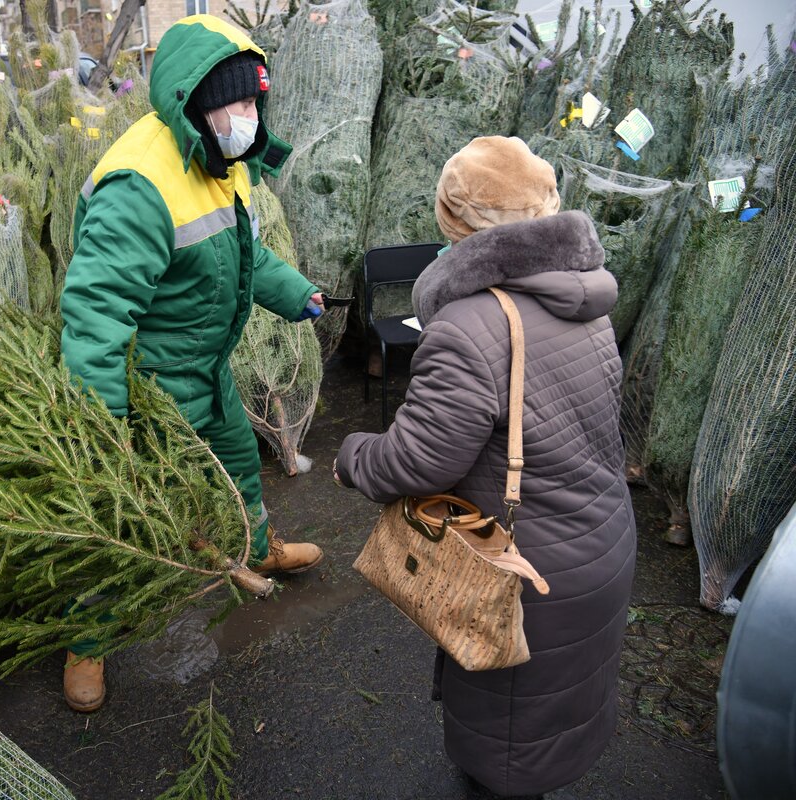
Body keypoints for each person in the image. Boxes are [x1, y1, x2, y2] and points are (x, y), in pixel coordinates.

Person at [334, 136, 636, 798]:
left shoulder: (471, 323)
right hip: (598, 547)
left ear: (456, 219)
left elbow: (417, 459)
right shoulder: (583, 303)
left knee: (508, 749)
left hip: (526, 573)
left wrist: (354, 455)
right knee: (551, 722)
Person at [58, 15, 325, 713]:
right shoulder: (138, 186)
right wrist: (103, 420)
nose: (248, 117)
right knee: (123, 512)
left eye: (253, 104)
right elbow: (95, 314)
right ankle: (88, 637)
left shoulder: (219, 161)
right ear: (194, 101)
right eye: (236, 104)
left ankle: (257, 548)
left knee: (239, 461)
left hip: (203, 369)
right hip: (147, 389)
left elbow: (241, 256)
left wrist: (295, 294)